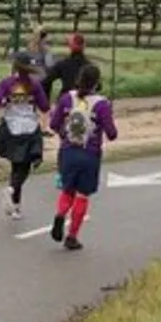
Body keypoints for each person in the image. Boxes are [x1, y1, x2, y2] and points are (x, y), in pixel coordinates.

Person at [48, 63, 117, 251]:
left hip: (67, 152)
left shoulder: (66, 98)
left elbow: (53, 124)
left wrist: (65, 135)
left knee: (67, 189)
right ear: (97, 82)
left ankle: (61, 213)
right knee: (82, 195)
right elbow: (112, 133)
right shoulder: (102, 104)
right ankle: (72, 236)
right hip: (90, 155)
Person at [0, 50, 50, 219]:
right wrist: (45, 128)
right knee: (25, 166)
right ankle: (12, 190)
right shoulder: (35, 84)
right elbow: (45, 108)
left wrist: (6, 103)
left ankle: (15, 206)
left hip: (11, 128)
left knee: (16, 166)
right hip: (29, 128)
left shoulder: (6, 83)